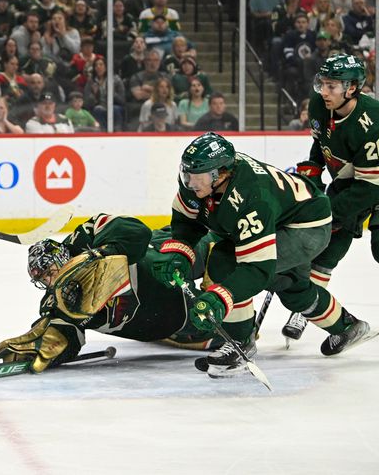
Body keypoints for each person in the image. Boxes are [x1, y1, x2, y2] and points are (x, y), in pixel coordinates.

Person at [152, 133, 371, 377]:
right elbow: (187, 221)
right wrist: (181, 252)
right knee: (292, 287)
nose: (191, 183)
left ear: (222, 174)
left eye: (198, 177)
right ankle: (348, 326)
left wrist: (220, 297)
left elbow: (256, 268)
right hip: (282, 215)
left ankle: (239, 343)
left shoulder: (250, 196)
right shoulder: (201, 182)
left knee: (227, 261)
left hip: (306, 227)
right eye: (187, 173)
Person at [0, 215, 225, 375]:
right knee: (213, 331)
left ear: (61, 258)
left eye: (48, 272)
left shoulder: (84, 238)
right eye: (41, 279)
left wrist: (100, 255)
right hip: (168, 317)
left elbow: (136, 232)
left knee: (214, 245)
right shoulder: (56, 301)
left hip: (160, 258)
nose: (48, 282)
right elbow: (66, 337)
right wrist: (51, 347)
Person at [285, 54, 379, 341]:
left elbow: (370, 187)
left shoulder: (371, 121)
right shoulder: (319, 105)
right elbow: (321, 142)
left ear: (352, 89)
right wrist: (311, 178)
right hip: (351, 180)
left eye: (332, 86)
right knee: (326, 247)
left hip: (373, 184)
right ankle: (304, 309)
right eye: (322, 83)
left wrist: (330, 213)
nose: (323, 91)